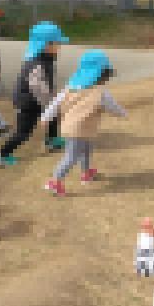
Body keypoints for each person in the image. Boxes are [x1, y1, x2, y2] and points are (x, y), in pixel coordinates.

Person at [40, 50, 127, 197]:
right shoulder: (99, 92)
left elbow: (55, 103)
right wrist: (122, 113)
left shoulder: (70, 88)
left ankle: (86, 172)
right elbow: (112, 106)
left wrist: (46, 116)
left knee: (87, 148)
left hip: (78, 128)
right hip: (77, 130)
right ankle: (54, 181)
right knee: (71, 156)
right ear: (101, 73)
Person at [0, 21, 68, 167]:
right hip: (28, 103)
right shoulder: (36, 64)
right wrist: (51, 104)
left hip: (37, 100)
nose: (59, 47)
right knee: (23, 133)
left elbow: (47, 84)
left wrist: (52, 103)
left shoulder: (46, 59)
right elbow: (38, 89)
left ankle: (52, 140)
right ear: (46, 45)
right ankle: (2, 155)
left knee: (53, 116)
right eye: (57, 43)